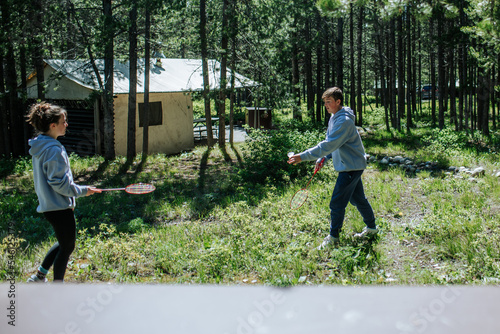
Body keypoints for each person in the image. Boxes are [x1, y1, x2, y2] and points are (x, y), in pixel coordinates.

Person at [288, 87, 377, 249]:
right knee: (357, 199)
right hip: (352, 165)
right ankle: (371, 228)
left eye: (329, 102)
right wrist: (324, 157)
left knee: (336, 203)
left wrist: (302, 156)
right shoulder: (335, 117)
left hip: (350, 168)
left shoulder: (344, 121)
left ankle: (334, 237)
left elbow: (329, 144)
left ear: (338, 102)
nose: (326, 105)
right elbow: (333, 143)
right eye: (324, 102)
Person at [25, 102, 100, 282]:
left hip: (50, 205)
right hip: (58, 207)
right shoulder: (53, 149)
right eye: (63, 121)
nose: (66, 125)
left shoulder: (41, 146)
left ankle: (39, 277)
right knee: (67, 247)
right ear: (53, 125)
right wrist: (82, 191)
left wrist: (71, 200)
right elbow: (58, 183)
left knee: (64, 243)